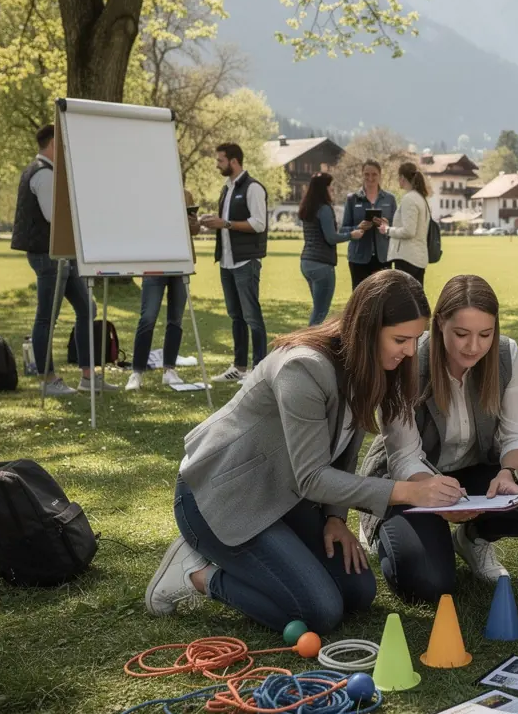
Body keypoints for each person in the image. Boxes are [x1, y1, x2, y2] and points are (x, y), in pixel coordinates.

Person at [144, 270, 464, 633]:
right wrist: (409, 491)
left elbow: (343, 450)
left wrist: (334, 518)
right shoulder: (303, 368)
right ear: (366, 329)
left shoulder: (368, 364)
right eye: (401, 339)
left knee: (358, 591)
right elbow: (312, 477)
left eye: (415, 339)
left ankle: (248, 560)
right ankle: (195, 574)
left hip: (282, 496)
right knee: (320, 612)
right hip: (220, 498)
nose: (410, 352)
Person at [361, 275, 518, 601]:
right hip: (408, 481)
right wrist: (438, 494)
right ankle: (378, 530)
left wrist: (508, 473)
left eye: (485, 334)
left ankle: (472, 537)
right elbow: (403, 457)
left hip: (472, 472)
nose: (474, 347)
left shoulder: (506, 355)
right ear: (440, 323)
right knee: (427, 584)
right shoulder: (409, 360)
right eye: (461, 334)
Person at [10, 124, 117, 395]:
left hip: (59, 256)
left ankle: (87, 376)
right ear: (53, 144)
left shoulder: (43, 172)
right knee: (46, 318)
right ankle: (48, 381)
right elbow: (53, 218)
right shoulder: (44, 175)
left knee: (87, 309)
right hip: (48, 256)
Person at [199, 143, 269, 382]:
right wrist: (211, 221)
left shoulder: (253, 188)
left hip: (245, 262)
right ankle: (239, 367)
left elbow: (259, 224)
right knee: (235, 316)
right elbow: (225, 222)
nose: (217, 164)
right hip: (227, 263)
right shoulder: (226, 188)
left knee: (252, 316)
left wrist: (225, 223)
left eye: (220, 160)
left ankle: (258, 369)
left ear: (234, 161)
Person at [126, 190, 201, 390]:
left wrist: (193, 222)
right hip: (155, 263)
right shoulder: (149, 195)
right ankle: (137, 372)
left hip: (181, 262)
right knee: (148, 318)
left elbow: (195, 230)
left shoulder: (186, 195)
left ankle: (169, 370)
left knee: (175, 319)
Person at [299, 172, 351, 326]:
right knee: (320, 314)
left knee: (318, 309)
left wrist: (353, 230)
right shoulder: (325, 209)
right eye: (330, 186)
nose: (332, 190)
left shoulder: (308, 208)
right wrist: (352, 235)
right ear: (324, 189)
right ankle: (307, 345)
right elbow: (331, 237)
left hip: (307, 262)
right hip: (322, 264)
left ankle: (310, 343)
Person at [340, 159, 397, 290]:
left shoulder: (390, 199)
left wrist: (387, 225)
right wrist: (358, 227)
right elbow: (343, 229)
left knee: (383, 296)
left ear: (380, 175)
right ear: (362, 175)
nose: (370, 178)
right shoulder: (352, 199)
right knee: (360, 297)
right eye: (366, 174)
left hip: (383, 257)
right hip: (358, 258)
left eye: (374, 174)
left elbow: (396, 229)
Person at [378, 161, 431, 286]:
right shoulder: (421, 198)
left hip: (407, 258)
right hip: (418, 258)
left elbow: (409, 231)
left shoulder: (409, 198)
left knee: (404, 301)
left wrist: (387, 230)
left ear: (402, 177)